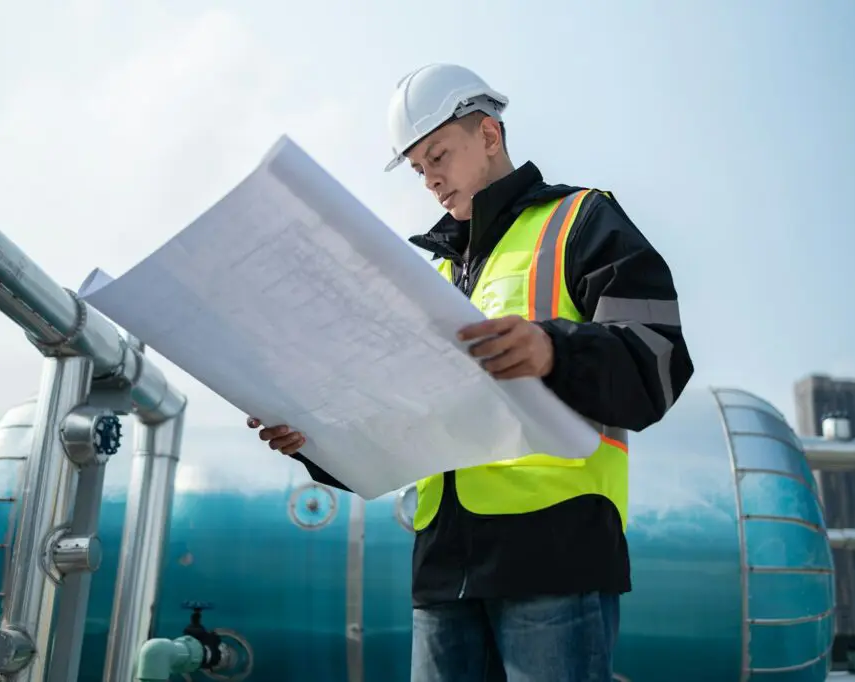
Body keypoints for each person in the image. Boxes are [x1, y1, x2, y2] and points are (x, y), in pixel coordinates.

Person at [248, 63, 694, 682]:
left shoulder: (582, 221)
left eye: (439, 155)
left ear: (488, 134)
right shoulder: (430, 276)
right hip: (443, 569)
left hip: (554, 551)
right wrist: (314, 440)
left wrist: (552, 351)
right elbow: (400, 420)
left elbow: (658, 359)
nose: (430, 179)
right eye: (418, 168)